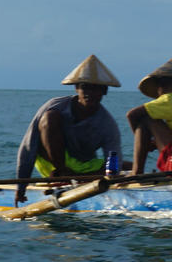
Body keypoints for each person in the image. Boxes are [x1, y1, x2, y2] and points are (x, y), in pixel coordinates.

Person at [14, 55, 123, 205]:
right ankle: (62, 173)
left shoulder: (107, 124)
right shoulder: (55, 105)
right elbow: (28, 146)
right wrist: (21, 187)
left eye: (95, 88)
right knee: (50, 117)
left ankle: (76, 178)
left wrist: (113, 179)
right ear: (76, 88)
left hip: (82, 169)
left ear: (104, 92)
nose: (89, 93)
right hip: (53, 166)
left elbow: (113, 157)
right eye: (84, 87)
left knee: (126, 166)